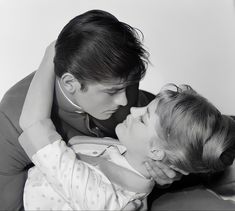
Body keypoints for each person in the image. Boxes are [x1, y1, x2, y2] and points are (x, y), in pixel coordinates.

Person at [18, 43, 235, 210]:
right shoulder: (125, 153)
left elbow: (35, 127)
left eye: (143, 118)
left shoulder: (104, 196)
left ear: (156, 151)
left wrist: (50, 55)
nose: (133, 110)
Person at [0, 10, 178, 211]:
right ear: (70, 83)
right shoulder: (11, 117)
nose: (126, 101)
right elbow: (10, 205)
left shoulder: (127, 92)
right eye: (113, 91)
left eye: (130, 85)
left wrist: (169, 166)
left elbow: (177, 134)